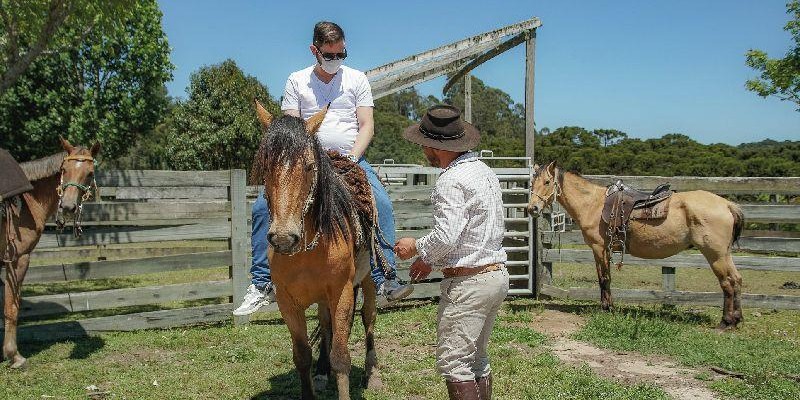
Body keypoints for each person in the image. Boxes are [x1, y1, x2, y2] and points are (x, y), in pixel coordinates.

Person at [234, 21, 413, 316]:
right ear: (314, 51)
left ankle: (385, 277)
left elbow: (367, 125)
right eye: (329, 55)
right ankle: (262, 283)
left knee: (381, 201)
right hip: (307, 162)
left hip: (350, 158)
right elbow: (292, 130)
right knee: (262, 209)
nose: (336, 61)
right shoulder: (296, 81)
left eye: (341, 54)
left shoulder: (357, 79)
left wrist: (354, 157)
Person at [394, 105, 509, 400]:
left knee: (455, 362)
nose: (422, 149)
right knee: (477, 359)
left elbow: (447, 235)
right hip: (494, 275)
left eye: (423, 144)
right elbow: (468, 232)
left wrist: (416, 247)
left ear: (435, 146)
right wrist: (429, 259)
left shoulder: (451, 180)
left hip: (469, 283)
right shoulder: (483, 171)